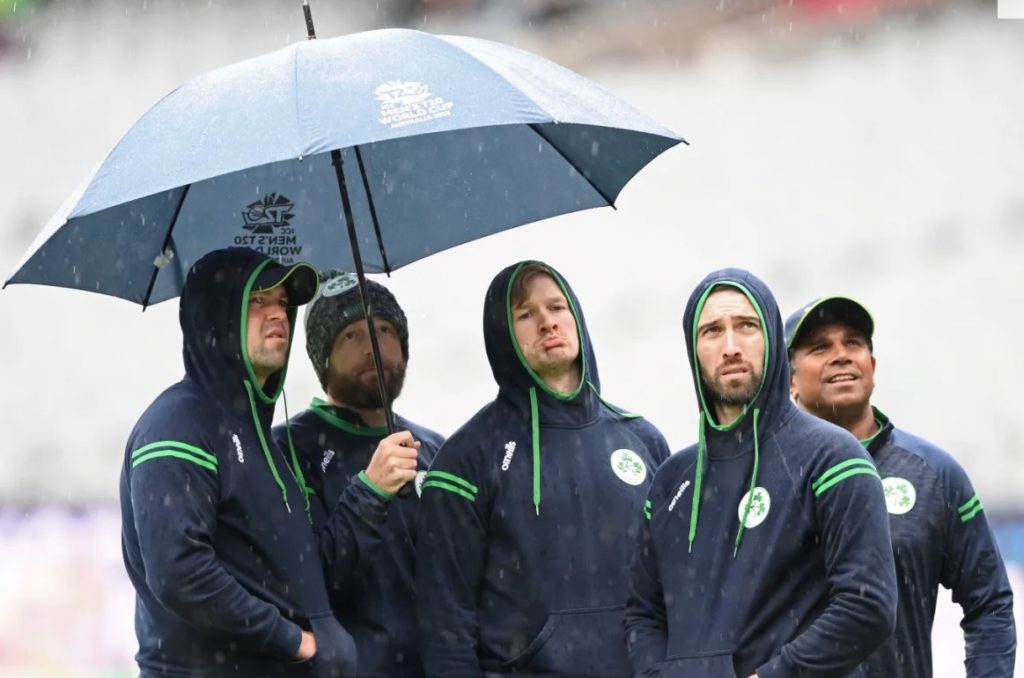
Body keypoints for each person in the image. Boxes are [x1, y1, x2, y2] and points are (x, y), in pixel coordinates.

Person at [120, 248, 385, 678]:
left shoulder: (263, 442)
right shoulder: (177, 425)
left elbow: (305, 574)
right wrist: (294, 643)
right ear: (217, 317)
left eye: (282, 302)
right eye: (257, 301)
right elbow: (180, 573)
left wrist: (371, 493)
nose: (278, 313)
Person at [624, 268, 897, 678]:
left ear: (771, 336)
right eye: (712, 331)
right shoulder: (670, 481)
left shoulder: (833, 455)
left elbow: (868, 605)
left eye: (746, 326)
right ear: (693, 349)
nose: (731, 346)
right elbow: (642, 615)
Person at [416, 260, 671, 677]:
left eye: (557, 307)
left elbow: (676, 587)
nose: (547, 323)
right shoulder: (466, 460)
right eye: (525, 314)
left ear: (577, 317)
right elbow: (446, 620)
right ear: (503, 335)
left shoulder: (643, 440)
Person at [785, 295, 1016, 677]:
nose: (841, 355)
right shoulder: (761, 482)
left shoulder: (934, 475)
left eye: (853, 343)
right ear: (789, 379)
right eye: (820, 347)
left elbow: (989, 602)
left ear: (872, 367)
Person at [272, 270, 445, 678]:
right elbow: (303, 584)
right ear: (323, 357)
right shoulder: (288, 450)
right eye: (351, 334)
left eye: (384, 329)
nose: (372, 346)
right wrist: (370, 491)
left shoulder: (437, 448)